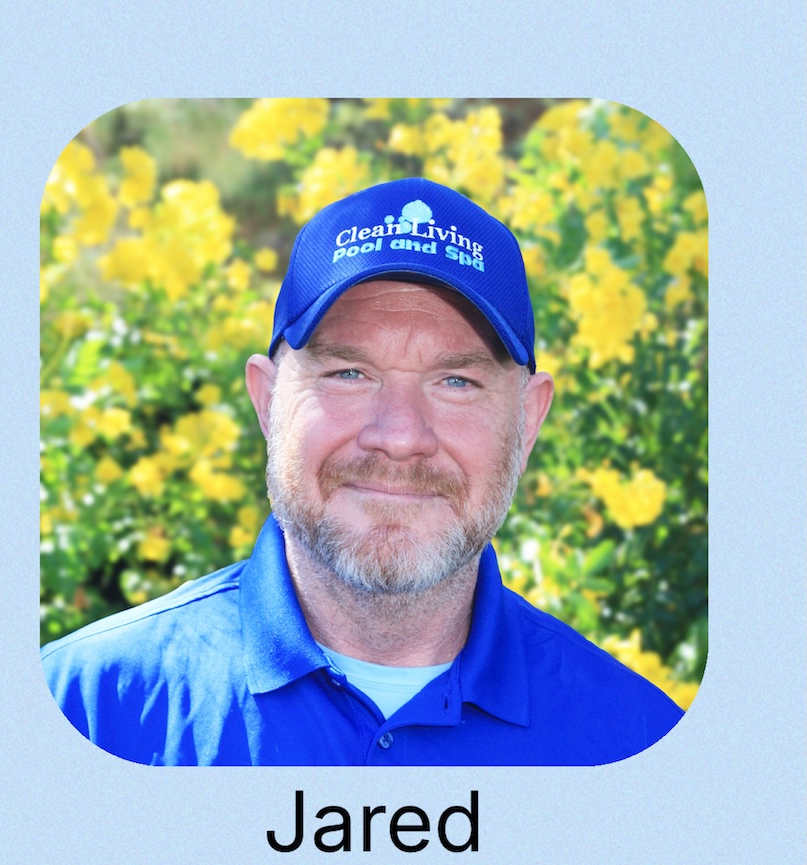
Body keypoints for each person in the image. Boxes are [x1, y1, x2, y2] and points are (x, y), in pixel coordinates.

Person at [41, 177, 684, 766]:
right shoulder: (82, 715)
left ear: (528, 422)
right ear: (267, 401)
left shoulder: (640, 749)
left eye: (456, 382)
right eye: (349, 373)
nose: (400, 437)